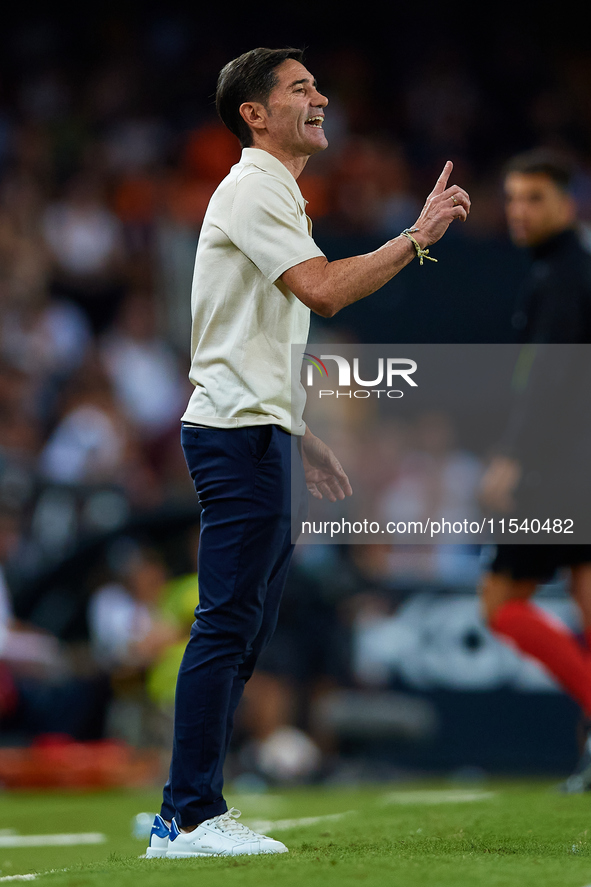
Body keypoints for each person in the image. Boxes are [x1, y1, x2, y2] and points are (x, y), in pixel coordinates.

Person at [146, 46, 470, 860]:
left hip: (258, 429)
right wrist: (417, 237)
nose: (320, 97)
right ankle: (188, 816)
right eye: (300, 88)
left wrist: (302, 428)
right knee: (226, 626)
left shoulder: (274, 191)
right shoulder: (256, 186)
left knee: (244, 631)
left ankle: (186, 808)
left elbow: (254, 336)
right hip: (234, 436)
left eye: (316, 86)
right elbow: (322, 291)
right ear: (254, 113)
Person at [478, 147, 591, 792]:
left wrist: (514, 456)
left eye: (535, 199)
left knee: (498, 603)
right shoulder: (569, 268)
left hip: (560, 466)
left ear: (567, 203)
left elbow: (548, 375)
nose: (519, 211)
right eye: (513, 198)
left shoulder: (562, 276)